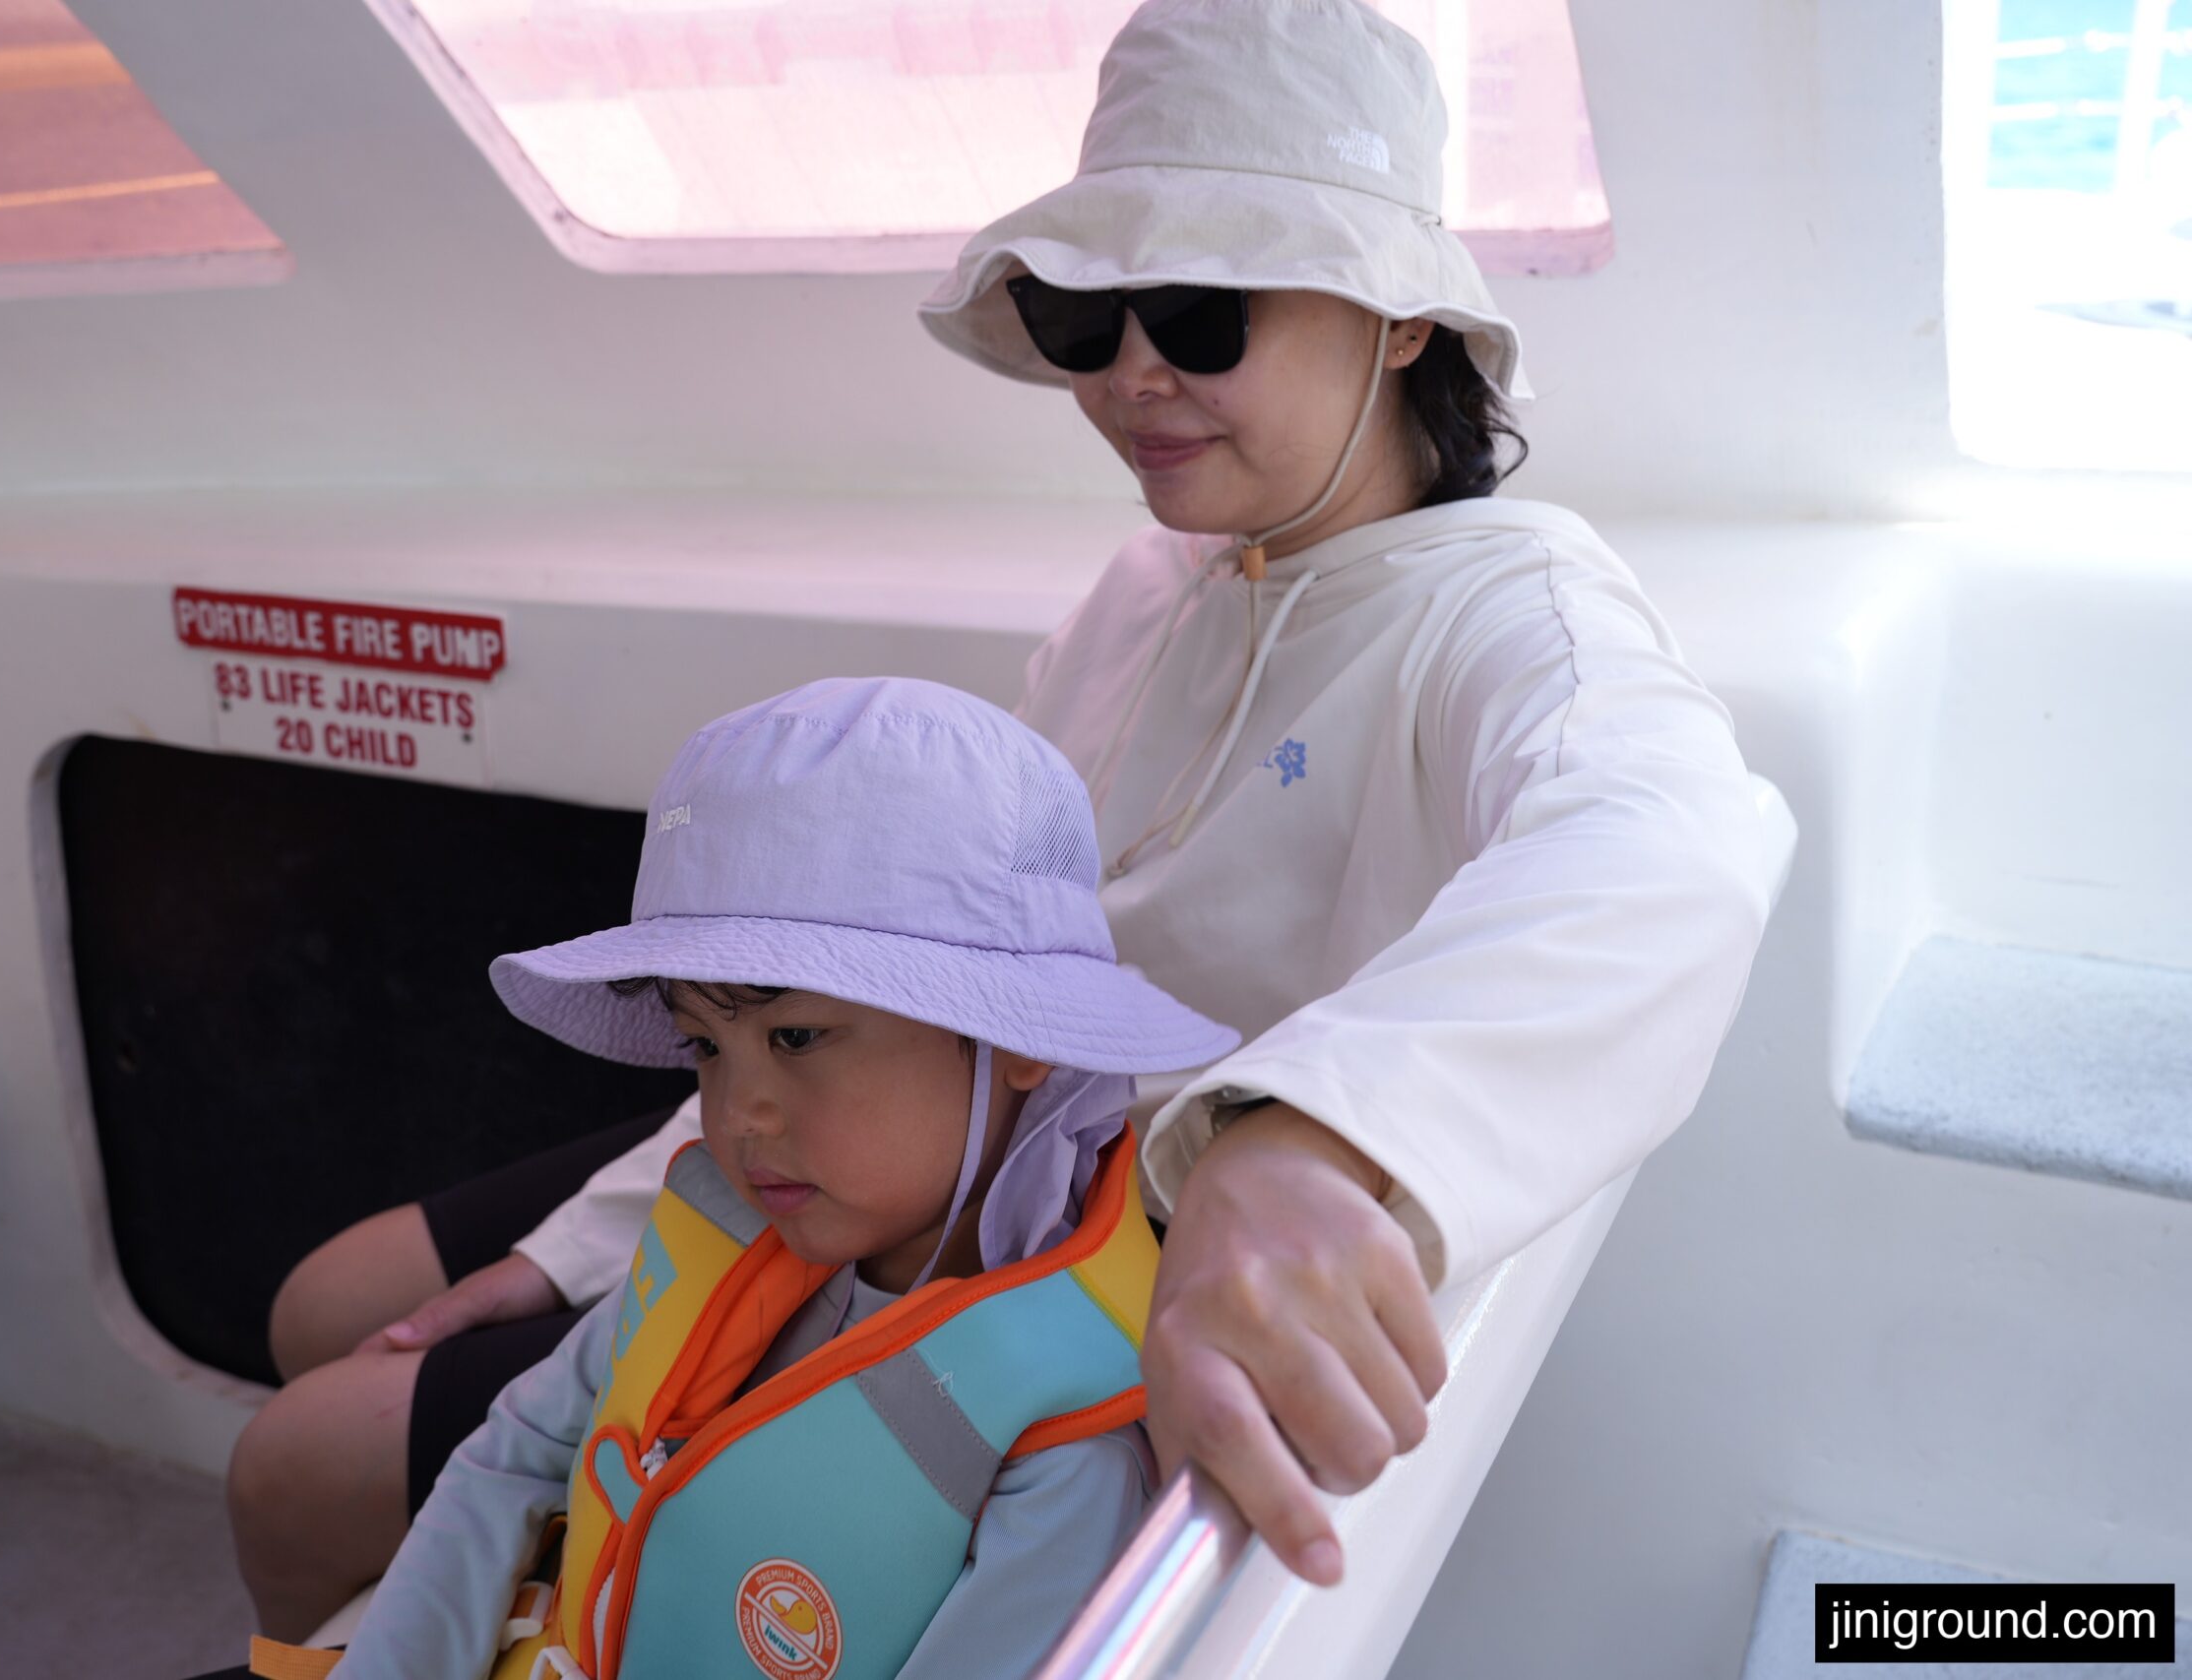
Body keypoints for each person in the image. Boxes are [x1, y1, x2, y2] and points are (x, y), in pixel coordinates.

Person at [230, 0, 1782, 1634]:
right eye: (1081, 316)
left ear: (1402, 320)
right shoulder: (1153, 586)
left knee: (295, 1462)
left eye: (1196, 310)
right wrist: (574, 1248)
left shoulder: (1511, 620)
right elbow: (897, 976)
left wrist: (1307, 1134)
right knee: (324, 1300)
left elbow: (1675, 850)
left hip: (1044, 1239)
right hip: (884, 1101)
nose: (1132, 378)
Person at [237, 677, 1238, 1680]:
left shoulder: (1068, 1441)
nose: (737, 1116)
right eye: (704, 1045)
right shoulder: (720, 1234)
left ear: (1020, 1039)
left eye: (797, 1035)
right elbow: (513, 1453)